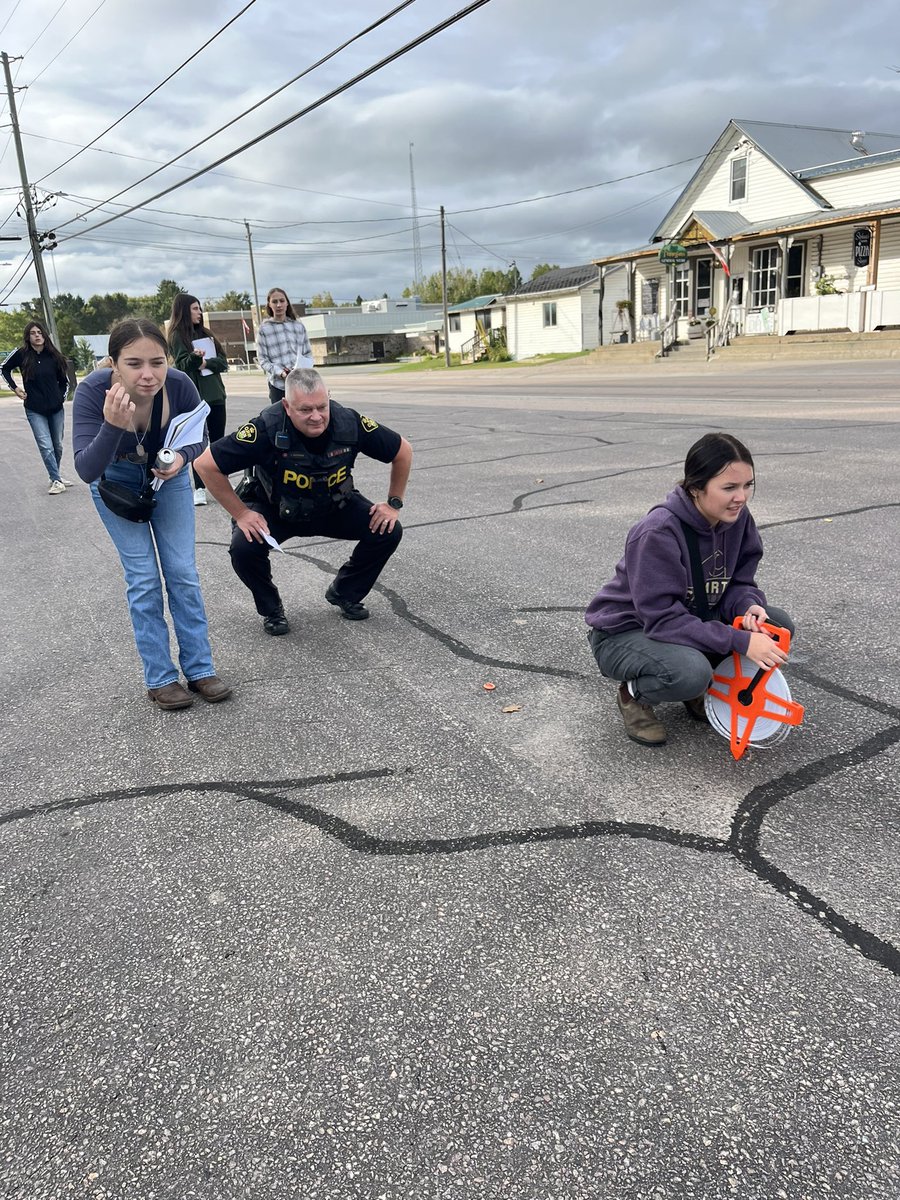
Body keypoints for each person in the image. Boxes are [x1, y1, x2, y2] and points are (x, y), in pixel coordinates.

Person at [585, 432, 794, 747]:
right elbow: (663, 620)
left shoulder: (737, 519)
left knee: (777, 626)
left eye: (747, 485)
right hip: (628, 633)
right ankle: (634, 696)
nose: (741, 497)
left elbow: (739, 582)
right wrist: (740, 640)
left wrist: (747, 606)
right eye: (729, 488)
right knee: (690, 672)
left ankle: (701, 687)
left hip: (691, 616)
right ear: (696, 487)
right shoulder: (657, 532)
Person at [72, 318, 232, 711]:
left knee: (182, 572)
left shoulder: (179, 384)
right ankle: (160, 678)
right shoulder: (93, 391)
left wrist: (181, 458)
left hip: (170, 476)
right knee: (143, 576)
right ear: (113, 363)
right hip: (116, 479)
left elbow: (200, 436)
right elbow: (86, 469)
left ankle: (200, 668)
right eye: (134, 363)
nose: (148, 375)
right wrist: (112, 426)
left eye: (157, 362)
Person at [194, 367, 412, 635]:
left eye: (322, 406)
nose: (316, 417)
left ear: (329, 398)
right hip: (276, 510)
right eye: (305, 410)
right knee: (243, 548)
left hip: (335, 506)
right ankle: (272, 609)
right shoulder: (265, 428)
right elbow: (205, 465)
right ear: (286, 405)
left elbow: (402, 451)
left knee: (389, 530)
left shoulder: (349, 421)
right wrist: (241, 514)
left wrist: (393, 504)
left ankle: (345, 592)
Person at [167, 293, 229, 507]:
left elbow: (223, 362)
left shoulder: (207, 334)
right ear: (184, 310)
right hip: (195, 400)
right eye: (195, 308)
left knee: (219, 441)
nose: (200, 313)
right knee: (198, 444)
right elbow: (183, 365)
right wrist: (195, 357)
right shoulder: (176, 336)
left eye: (200, 309)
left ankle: (221, 483)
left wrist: (206, 363)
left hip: (216, 395)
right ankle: (200, 487)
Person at [2, 320, 73, 494]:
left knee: (57, 445)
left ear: (44, 335)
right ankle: (56, 480)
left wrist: (61, 398)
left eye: (40, 332)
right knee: (45, 445)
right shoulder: (21, 354)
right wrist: (15, 388)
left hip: (56, 408)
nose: (37, 335)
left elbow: (65, 382)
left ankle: (54, 475)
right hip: (34, 408)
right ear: (28, 336)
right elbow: (4, 369)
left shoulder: (53, 355)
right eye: (33, 333)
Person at [255, 287, 312, 402]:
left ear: (287, 303)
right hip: (278, 386)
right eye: (274, 302)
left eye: (282, 301)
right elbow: (263, 360)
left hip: (299, 384)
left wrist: (301, 371)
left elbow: (307, 354)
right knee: (280, 419)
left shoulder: (298, 327)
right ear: (269, 305)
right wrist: (280, 372)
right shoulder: (264, 329)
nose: (279, 305)